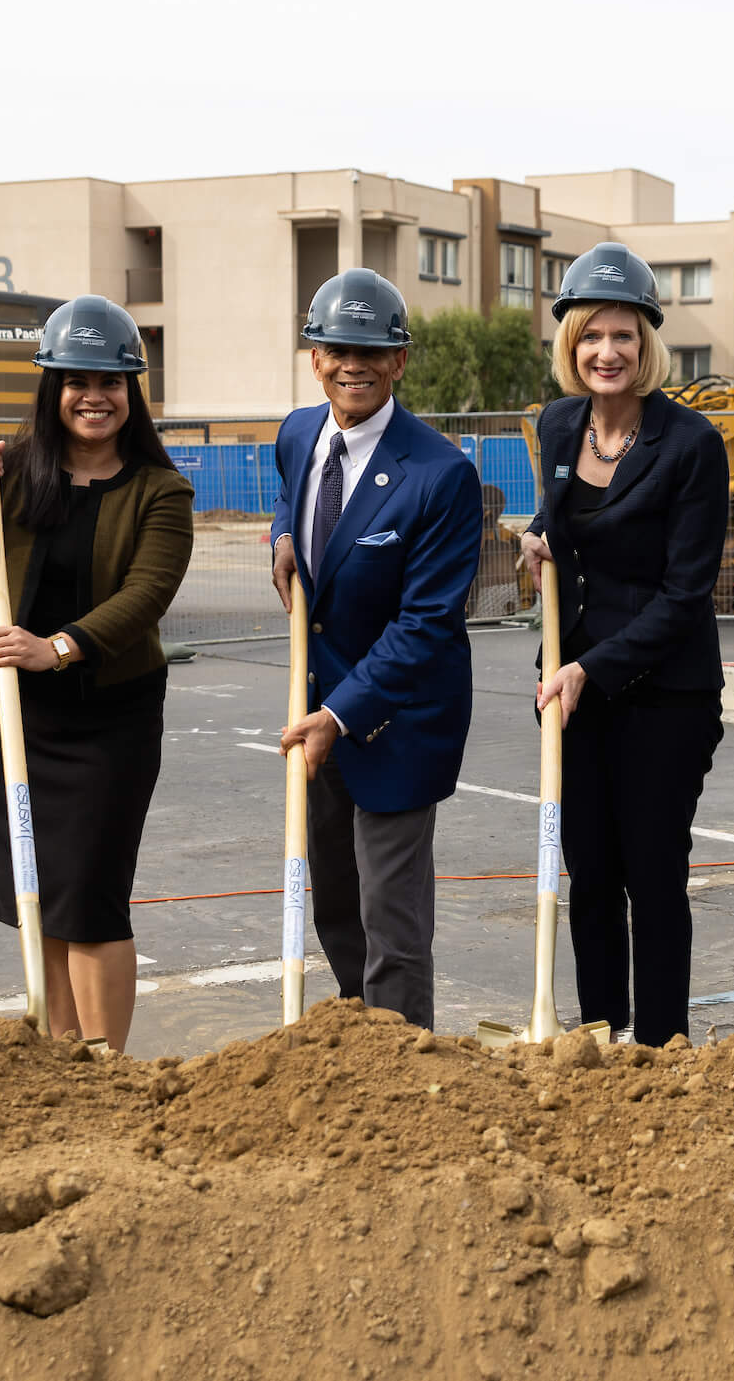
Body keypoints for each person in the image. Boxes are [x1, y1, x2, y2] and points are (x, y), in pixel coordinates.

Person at [0, 295, 193, 1051]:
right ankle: (61, 1053)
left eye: (110, 381)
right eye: (77, 380)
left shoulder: (160, 492)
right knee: (35, 892)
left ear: (131, 391)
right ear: (53, 387)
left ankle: (106, 1064)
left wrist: (58, 645)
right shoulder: (16, 469)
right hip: (9, 707)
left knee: (91, 896)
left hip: (109, 715)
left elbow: (145, 598)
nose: (93, 396)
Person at [517, 242, 730, 1048]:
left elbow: (685, 595)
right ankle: (601, 1034)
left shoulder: (689, 445)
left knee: (652, 874)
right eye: (591, 336)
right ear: (571, 344)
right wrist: (540, 536)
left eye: (625, 335)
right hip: (573, 693)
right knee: (591, 876)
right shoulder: (560, 421)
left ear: (648, 345)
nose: (608, 351)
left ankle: (662, 1047)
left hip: (662, 695)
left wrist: (590, 666)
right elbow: (562, 514)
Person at [269, 268, 484, 1030]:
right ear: (314, 355)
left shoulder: (440, 474)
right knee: (335, 904)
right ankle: (358, 1047)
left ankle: (406, 1068)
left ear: (399, 361)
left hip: (397, 719)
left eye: (371, 350)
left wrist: (340, 713)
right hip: (318, 706)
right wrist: (284, 536)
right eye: (335, 347)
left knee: (390, 920)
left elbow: (426, 623)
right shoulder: (299, 432)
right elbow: (289, 492)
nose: (351, 363)